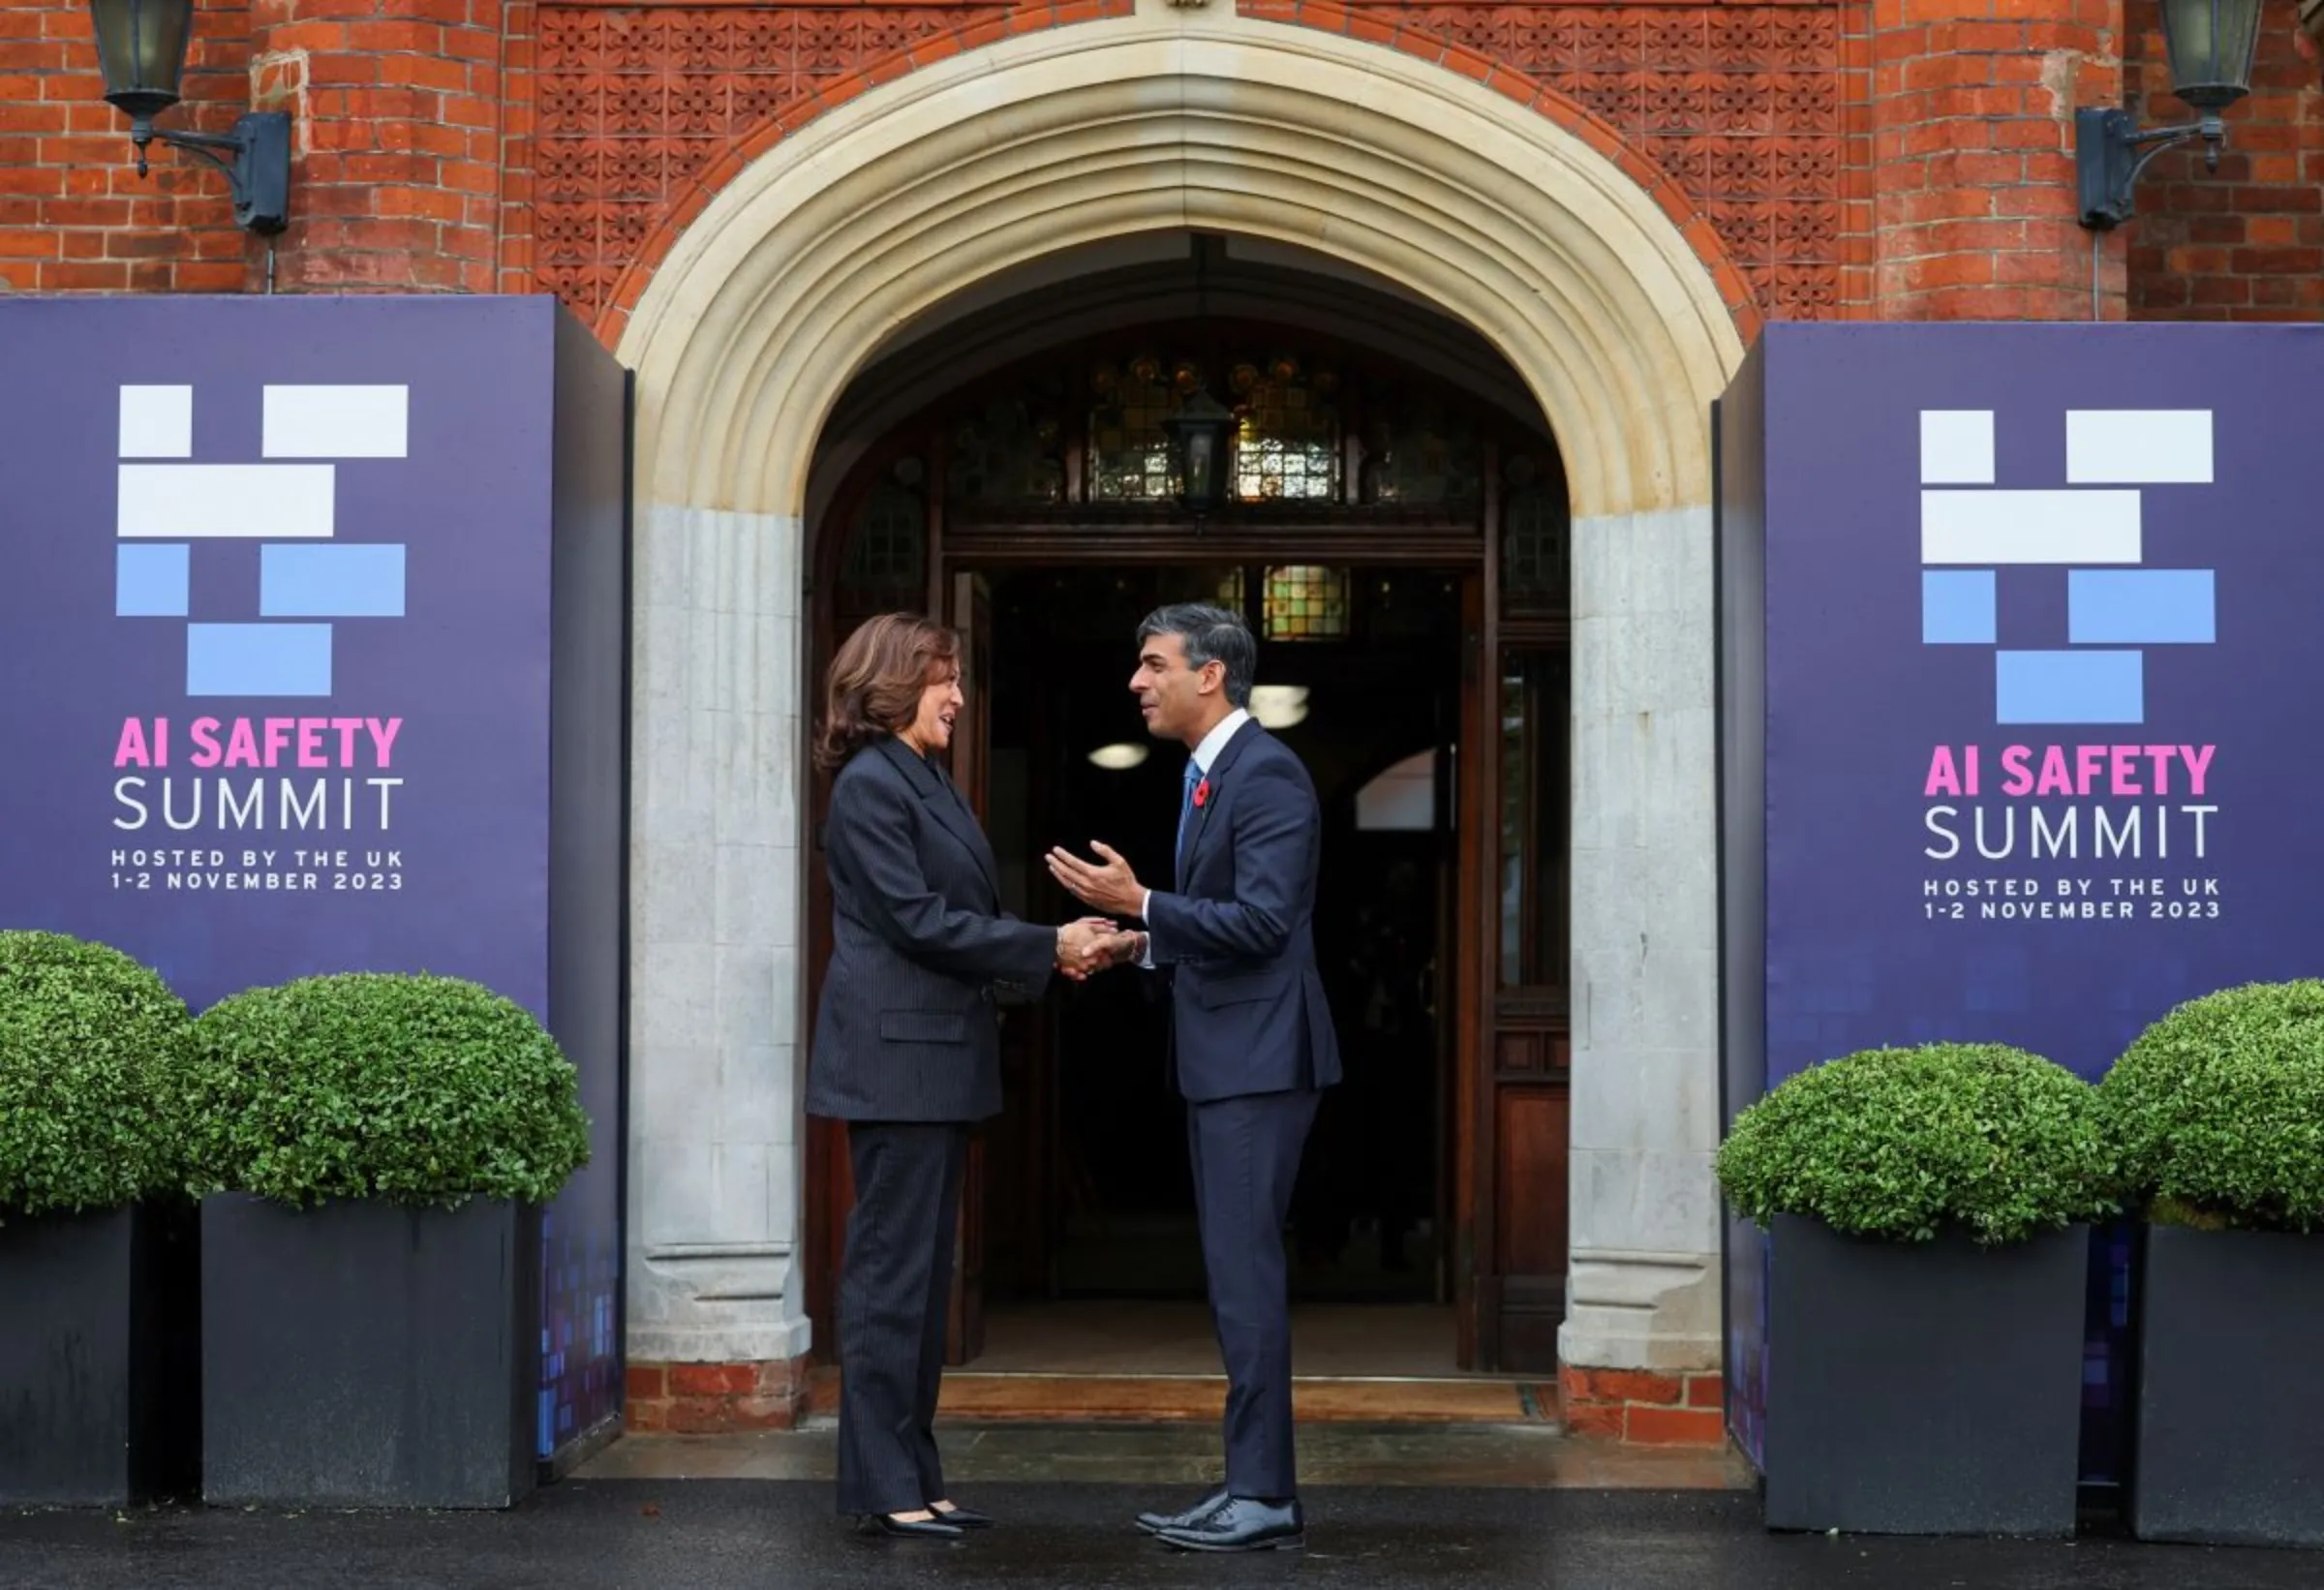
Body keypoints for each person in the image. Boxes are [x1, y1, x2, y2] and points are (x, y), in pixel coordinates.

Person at [809, 612, 1122, 1542]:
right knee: (890, 1278)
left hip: (934, 1061)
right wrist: (1045, 944)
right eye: (943, 678)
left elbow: (950, 918)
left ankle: (914, 1474)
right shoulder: (871, 785)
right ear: (894, 683)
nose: (958, 695)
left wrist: (1049, 954)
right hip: (897, 1063)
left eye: (957, 678)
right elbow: (916, 920)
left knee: (921, 1279)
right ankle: (882, 1482)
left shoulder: (923, 778)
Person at [1047, 602, 1342, 1554]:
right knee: (1232, 1277)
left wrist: (1141, 900)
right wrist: (1140, 941)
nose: (1137, 682)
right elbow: (1219, 923)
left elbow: (1262, 922)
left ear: (1208, 674)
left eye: (1152, 664)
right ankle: (1251, 1484)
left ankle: (1263, 1495)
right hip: (1230, 1058)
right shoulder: (1211, 777)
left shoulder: (1267, 776)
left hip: (1259, 1061)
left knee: (1244, 1277)